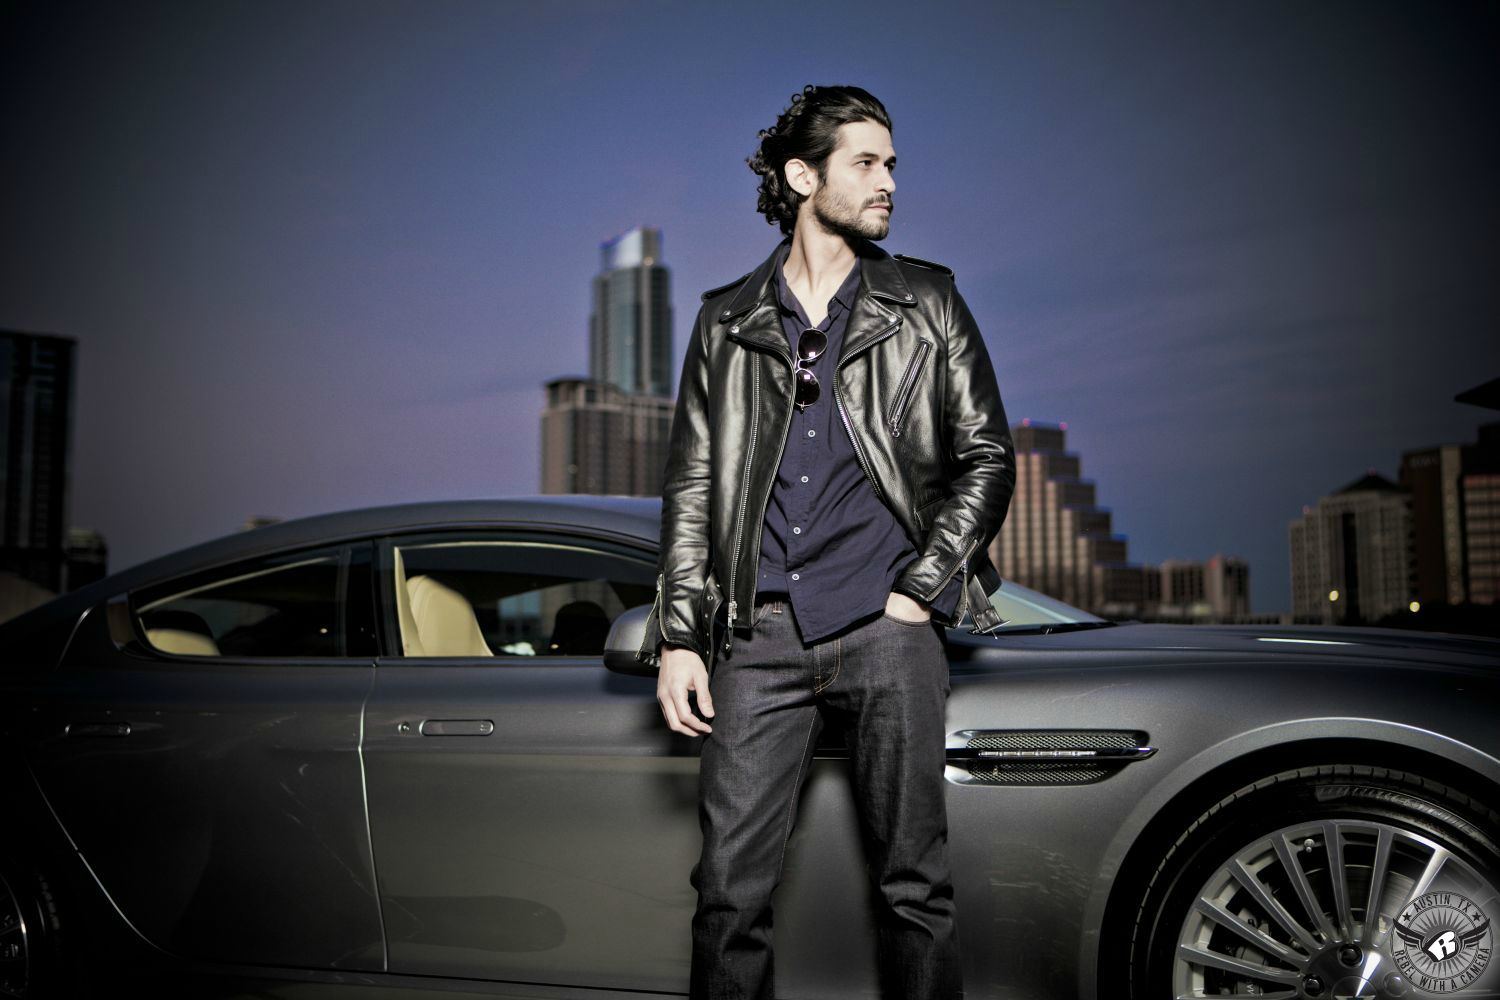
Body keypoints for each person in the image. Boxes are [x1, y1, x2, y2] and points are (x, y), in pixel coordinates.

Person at [640, 84, 1015, 1000]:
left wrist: (921, 590)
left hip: (889, 626)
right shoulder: (725, 322)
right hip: (757, 637)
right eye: (867, 162)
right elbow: (693, 483)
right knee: (729, 895)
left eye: (892, 163)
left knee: (914, 890)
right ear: (803, 176)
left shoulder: (926, 301)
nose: (888, 181)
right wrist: (682, 636)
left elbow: (987, 457)